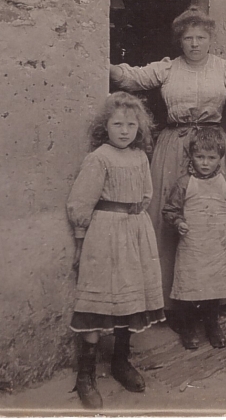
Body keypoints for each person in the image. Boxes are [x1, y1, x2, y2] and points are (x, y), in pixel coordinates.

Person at [109, 6, 226, 326]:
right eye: (188, 38)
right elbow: (133, 78)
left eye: (201, 37)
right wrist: (108, 67)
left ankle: (213, 302)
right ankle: (173, 304)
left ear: (210, 38)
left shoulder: (225, 69)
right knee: (170, 220)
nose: (195, 44)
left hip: (212, 149)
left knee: (211, 221)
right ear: (180, 41)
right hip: (173, 149)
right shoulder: (168, 68)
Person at [66, 91, 165, 408]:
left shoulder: (139, 157)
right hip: (105, 235)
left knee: (131, 296)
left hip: (135, 231)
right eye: (117, 124)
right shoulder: (99, 158)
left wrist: (136, 225)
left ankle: (121, 361)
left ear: (140, 128)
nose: (124, 130)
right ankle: (86, 374)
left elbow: (146, 196)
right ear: (104, 127)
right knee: (99, 300)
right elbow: (81, 201)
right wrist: (81, 240)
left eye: (131, 124)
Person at [161, 127, 226, 350]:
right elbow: (169, 210)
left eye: (211, 158)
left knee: (213, 285)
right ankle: (188, 327)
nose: (205, 163)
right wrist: (179, 222)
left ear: (220, 158)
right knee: (190, 285)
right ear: (191, 156)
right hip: (192, 245)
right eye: (199, 157)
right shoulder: (184, 183)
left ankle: (212, 324)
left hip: (216, 244)